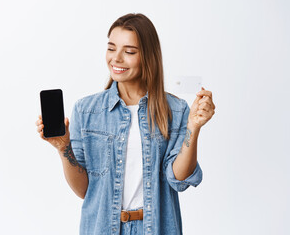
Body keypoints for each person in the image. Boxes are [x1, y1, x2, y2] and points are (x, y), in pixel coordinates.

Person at [36, 13, 215, 235]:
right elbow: (84, 190)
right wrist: (64, 148)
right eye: (111, 48)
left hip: (156, 228)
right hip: (102, 228)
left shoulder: (175, 110)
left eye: (129, 51)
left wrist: (193, 128)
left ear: (148, 57)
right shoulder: (86, 110)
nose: (116, 58)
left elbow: (178, 179)